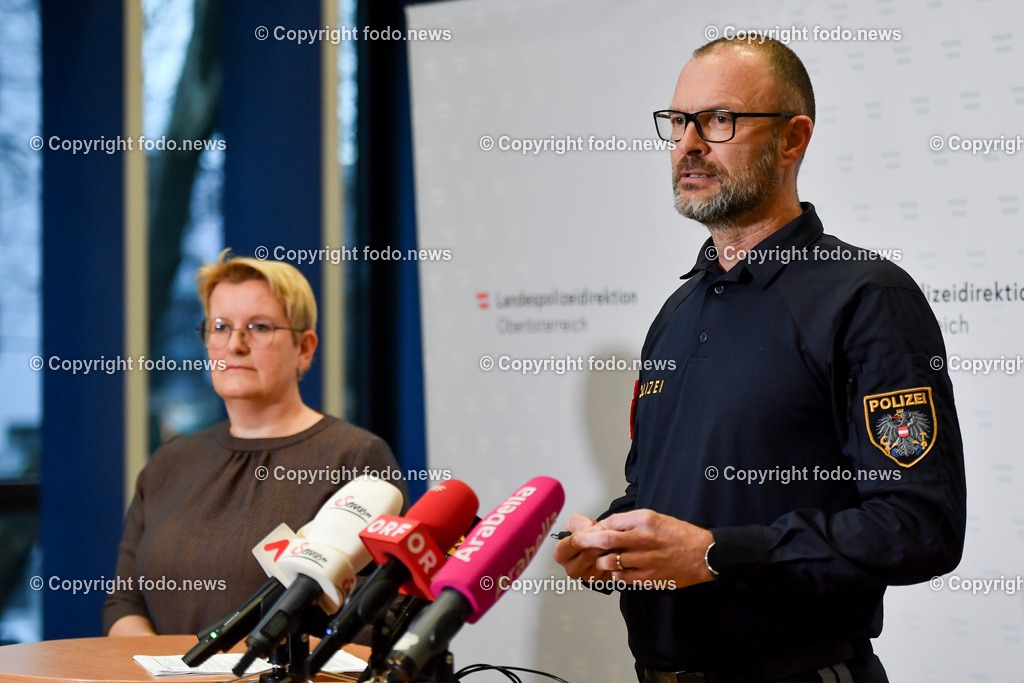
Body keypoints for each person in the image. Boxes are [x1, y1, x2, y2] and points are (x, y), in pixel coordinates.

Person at [554, 38, 966, 683]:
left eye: (720, 120)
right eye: (677, 122)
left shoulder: (865, 297)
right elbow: (663, 493)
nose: (689, 143)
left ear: (793, 139)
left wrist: (718, 555)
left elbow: (918, 526)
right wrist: (613, 540)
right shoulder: (678, 310)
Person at [103, 250, 406, 637]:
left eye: (259, 327)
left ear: (305, 348)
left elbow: (380, 615)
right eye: (220, 327)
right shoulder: (170, 462)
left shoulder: (355, 457)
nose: (235, 345)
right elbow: (125, 602)